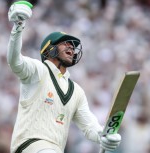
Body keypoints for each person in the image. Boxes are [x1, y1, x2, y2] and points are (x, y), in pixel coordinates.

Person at [7, 1, 121, 153]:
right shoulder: (38, 70)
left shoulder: (76, 91)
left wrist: (104, 136)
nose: (71, 48)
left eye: (73, 46)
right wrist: (18, 27)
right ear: (50, 49)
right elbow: (15, 61)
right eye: (65, 44)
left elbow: (89, 126)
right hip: (29, 146)